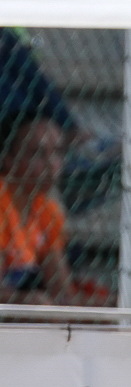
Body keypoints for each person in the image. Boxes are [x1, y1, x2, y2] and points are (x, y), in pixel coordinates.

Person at [0, 111, 84, 305]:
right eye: (37, 153)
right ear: (7, 159)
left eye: (57, 152)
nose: (51, 164)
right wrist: (27, 302)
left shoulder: (46, 210)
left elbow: (63, 293)